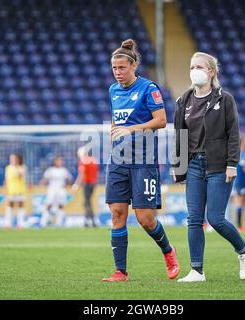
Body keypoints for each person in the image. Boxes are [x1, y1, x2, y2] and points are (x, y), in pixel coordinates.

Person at [173, 52, 245, 282]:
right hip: (194, 166)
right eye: (191, 67)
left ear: (211, 72)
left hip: (219, 166)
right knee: (193, 219)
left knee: (216, 219)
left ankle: (244, 251)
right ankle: (196, 271)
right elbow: (179, 137)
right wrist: (179, 168)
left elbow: (233, 134)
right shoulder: (183, 101)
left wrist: (232, 164)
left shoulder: (225, 99)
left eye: (199, 66)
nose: (194, 71)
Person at [102, 39, 180, 282]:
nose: (117, 72)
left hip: (144, 160)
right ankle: (120, 271)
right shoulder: (113, 91)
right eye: (114, 68)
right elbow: (117, 120)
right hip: (118, 159)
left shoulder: (148, 88)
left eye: (122, 68)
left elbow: (161, 121)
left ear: (133, 66)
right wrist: (116, 131)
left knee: (145, 218)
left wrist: (131, 130)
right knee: (117, 213)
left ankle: (168, 252)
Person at [40, 156, 73, 227]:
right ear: (55, 162)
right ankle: (43, 222)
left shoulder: (64, 170)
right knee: (49, 205)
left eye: (61, 161)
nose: (60, 162)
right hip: (52, 189)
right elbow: (45, 179)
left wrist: (67, 185)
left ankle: (59, 223)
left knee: (61, 205)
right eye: (58, 161)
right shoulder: (50, 170)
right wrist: (41, 184)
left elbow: (70, 179)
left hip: (61, 190)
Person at [72, 147, 99, 228]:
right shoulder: (94, 160)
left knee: (87, 203)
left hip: (87, 183)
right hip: (93, 183)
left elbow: (82, 174)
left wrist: (76, 184)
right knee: (87, 202)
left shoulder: (83, 161)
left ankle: (92, 221)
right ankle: (88, 221)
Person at [4, 153, 27, 229]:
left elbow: (20, 176)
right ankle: (8, 224)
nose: (12, 160)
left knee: (21, 205)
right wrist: (5, 189)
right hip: (11, 190)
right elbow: (6, 180)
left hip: (20, 190)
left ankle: (20, 224)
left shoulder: (22, 167)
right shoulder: (8, 168)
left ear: (18, 159)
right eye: (11, 158)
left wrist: (17, 167)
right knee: (10, 206)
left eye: (14, 158)